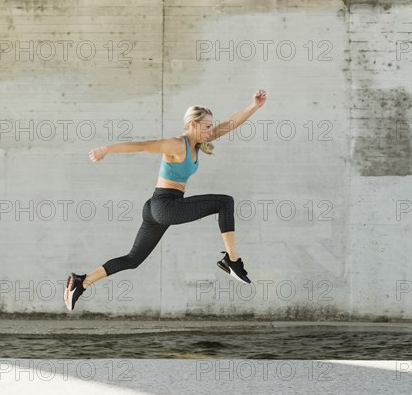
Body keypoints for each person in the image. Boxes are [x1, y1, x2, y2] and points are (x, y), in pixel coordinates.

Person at [64, 89, 267, 310]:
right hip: (166, 206)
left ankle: (81, 282)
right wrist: (106, 149)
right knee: (225, 202)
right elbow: (142, 146)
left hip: (155, 208)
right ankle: (232, 261)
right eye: (207, 126)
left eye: (211, 126)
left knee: (132, 260)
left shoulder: (197, 143)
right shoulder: (177, 145)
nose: (211, 130)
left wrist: (254, 106)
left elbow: (230, 124)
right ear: (193, 125)